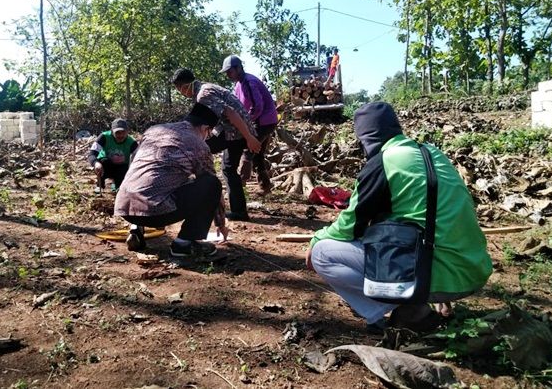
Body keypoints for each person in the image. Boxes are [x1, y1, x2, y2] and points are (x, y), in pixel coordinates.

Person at [305, 102, 492, 332]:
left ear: (366, 139)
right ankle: (421, 303)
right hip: (471, 270)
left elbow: (350, 226)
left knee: (323, 253)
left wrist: (316, 238)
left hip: (436, 277)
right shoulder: (431, 153)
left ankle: (404, 312)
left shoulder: (384, 161)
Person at [114, 103, 228, 257]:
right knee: (211, 184)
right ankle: (184, 243)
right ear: (204, 128)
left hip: (124, 206)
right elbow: (210, 184)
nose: (207, 138)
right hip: (155, 212)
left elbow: (135, 161)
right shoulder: (198, 144)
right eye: (208, 134)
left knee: (153, 179)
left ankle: (136, 227)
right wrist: (220, 223)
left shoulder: (154, 130)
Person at [170, 68, 261, 221]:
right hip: (230, 131)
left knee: (201, 154)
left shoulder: (203, 94)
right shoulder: (204, 89)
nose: (180, 93)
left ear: (183, 86)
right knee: (227, 167)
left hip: (236, 132)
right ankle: (238, 211)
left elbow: (231, 113)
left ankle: (204, 199)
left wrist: (249, 137)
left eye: (179, 89)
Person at [220, 55, 278, 195]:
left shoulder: (249, 82)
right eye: (226, 72)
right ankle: (265, 186)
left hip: (263, 122)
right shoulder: (238, 84)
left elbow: (257, 107)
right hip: (259, 121)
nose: (228, 75)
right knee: (258, 154)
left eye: (230, 71)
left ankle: (240, 183)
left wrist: (245, 122)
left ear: (239, 68)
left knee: (248, 149)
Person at [87, 118, 138, 194]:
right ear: (112, 131)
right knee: (103, 162)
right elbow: (92, 154)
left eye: (123, 132)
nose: (120, 135)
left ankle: (118, 185)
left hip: (122, 168)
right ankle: (100, 185)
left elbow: (139, 159)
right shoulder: (104, 137)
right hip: (106, 166)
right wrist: (96, 163)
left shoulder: (132, 142)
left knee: (125, 170)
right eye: (117, 132)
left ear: (127, 131)